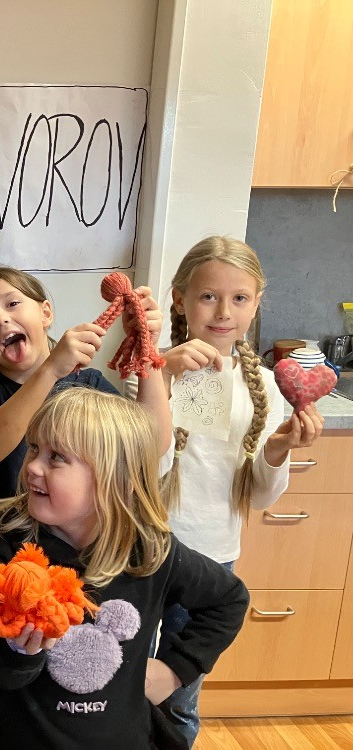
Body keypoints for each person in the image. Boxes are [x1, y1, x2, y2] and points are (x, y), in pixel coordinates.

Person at [0, 265, 173, 748]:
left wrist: (149, 351)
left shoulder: (88, 383)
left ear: (45, 313)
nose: (0, 319)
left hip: (56, 568)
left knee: (26, 684)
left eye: (11, 305)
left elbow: (151, 443)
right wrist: (50, 370)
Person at [0, 388, 248, 750]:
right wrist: (21, 651)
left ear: (115, 478)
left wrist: (176, 669)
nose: (33, 466)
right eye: (34, 448)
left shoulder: (151, 551)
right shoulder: (9, 547)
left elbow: (229, 599)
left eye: (57, 457)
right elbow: (1, 674)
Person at [143, 236, 324, 746]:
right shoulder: (150, 372)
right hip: (144, 548)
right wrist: (161, 376)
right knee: (124, 680)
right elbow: (138, 469)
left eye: (239, 298)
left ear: (256, 303)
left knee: (179, 696)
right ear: (180, 299)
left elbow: (260, 497)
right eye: (208, 296)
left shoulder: (265, 386)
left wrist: (278, 449)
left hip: (211, 557)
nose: (224, 312)